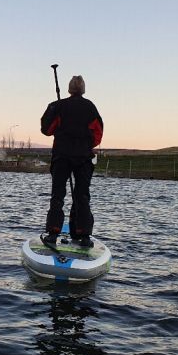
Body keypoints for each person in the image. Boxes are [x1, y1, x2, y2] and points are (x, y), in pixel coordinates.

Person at [40, 75, 103, 248]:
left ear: (69, 89)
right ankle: (83, 235)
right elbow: (98, 133)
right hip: (83, 158)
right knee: (82, 196)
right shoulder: (90, 107)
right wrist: (87, 144)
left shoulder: (58, 106)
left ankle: (53, 233)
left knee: (58, 195)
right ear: (83, 89)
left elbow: (46, 129)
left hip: (61, 157)